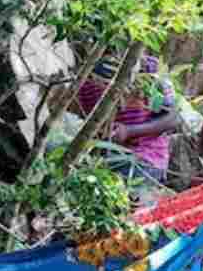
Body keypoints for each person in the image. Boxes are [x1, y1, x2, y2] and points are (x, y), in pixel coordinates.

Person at [75, 52, 179, 191]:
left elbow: (172, 119)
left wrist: (129, 131)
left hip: (145, 158)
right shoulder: (87, 74)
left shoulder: (150, 69)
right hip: (103, 155)